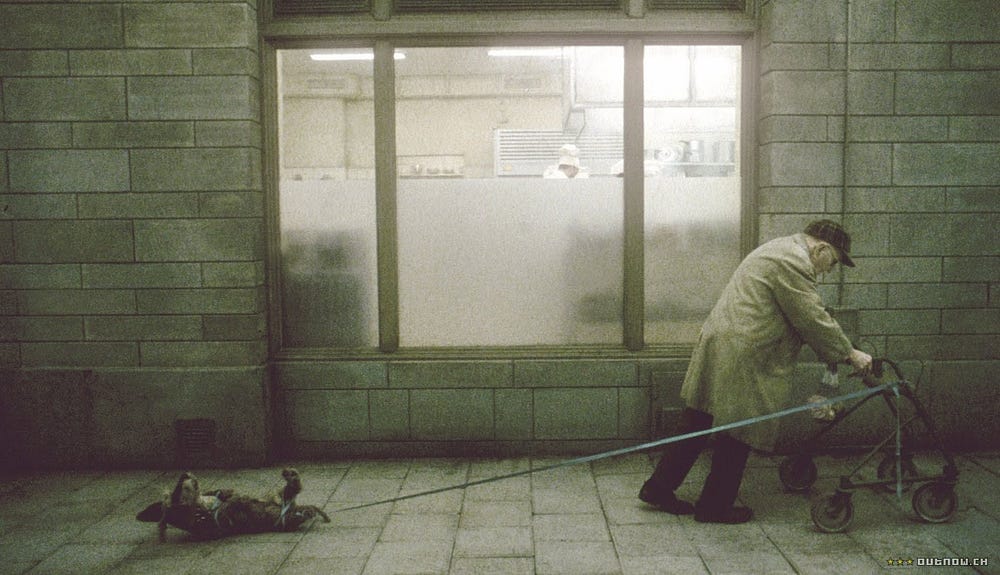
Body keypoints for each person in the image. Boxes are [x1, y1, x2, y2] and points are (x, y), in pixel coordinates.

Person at [639, 219, 873, 524]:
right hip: (744, 351)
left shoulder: (780, 249)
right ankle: (714, 506)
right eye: (834, 262)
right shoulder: (794, 261)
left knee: (699, 419)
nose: (829, 271)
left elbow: (801, 312)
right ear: (822, 248)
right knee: (740, 428)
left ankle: (658, 488)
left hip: (726, 343)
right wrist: (849, 353)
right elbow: (810, 316)